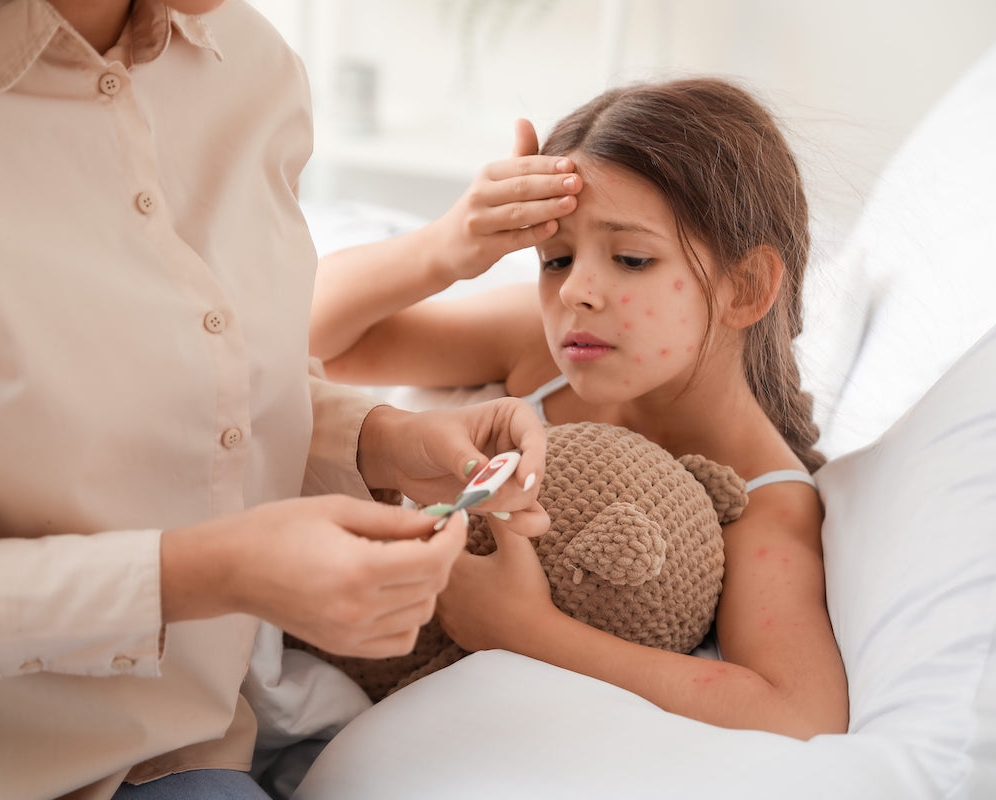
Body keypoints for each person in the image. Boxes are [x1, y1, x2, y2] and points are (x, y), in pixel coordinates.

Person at [0, 1, 550, 799]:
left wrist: (380, 441)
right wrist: (204, 574)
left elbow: (189, 367)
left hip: (203, 737)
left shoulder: (247, 66)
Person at [310, 77, 850, 739]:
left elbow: (797, 712)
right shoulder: (536, 349)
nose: (578, 292)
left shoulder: (763, 498)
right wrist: (444, 246)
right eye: (556, 259)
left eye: (630, 258)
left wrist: (525, 631)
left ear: (745, 287)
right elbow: (310, 339)